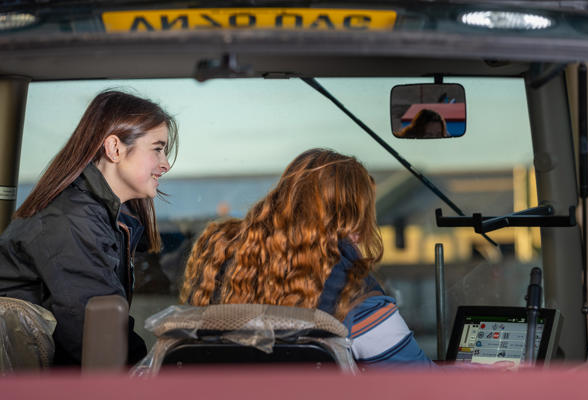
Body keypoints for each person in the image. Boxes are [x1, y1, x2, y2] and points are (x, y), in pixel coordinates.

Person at [180, 148, 434, 368]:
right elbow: (426, 387)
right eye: (364, 216)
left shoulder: (219, 267)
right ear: (350, 223)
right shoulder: (356, 297)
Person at [0, 90, 178, 366]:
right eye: (157, 148)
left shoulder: (98, 216)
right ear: (115, 148)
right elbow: (97, 342)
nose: (165, 164)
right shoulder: (71, 223)